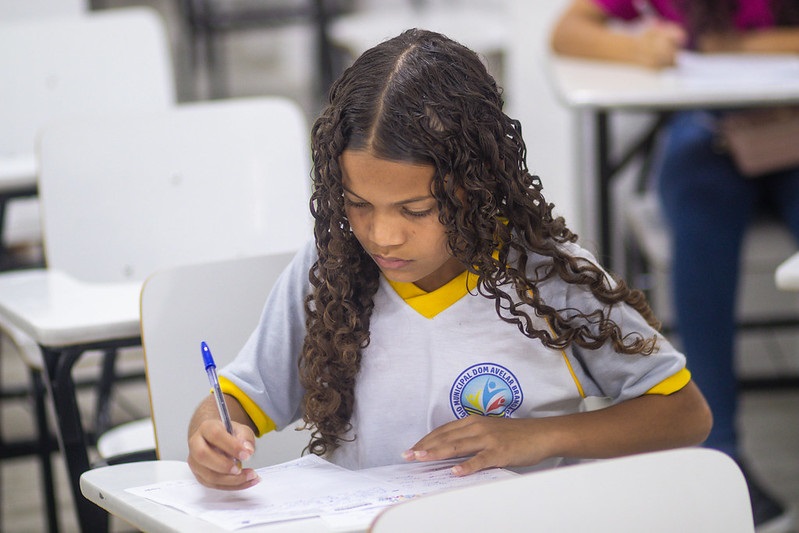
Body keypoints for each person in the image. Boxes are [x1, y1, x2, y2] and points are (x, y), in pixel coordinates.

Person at [187, 28, 711, 495]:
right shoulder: (329, 270)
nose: (382, 236)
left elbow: (684, 414)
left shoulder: (549, 277)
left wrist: (538, 436)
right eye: (358, 204)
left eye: (415, 210)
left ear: (475, 185)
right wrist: (214, 430)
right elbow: (239, 396)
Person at [551, 2, 799, 532]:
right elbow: (568, 30)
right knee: (700, 209)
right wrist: (640, 48)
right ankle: (720, 455)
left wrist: (727, 46)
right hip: (714, 139)